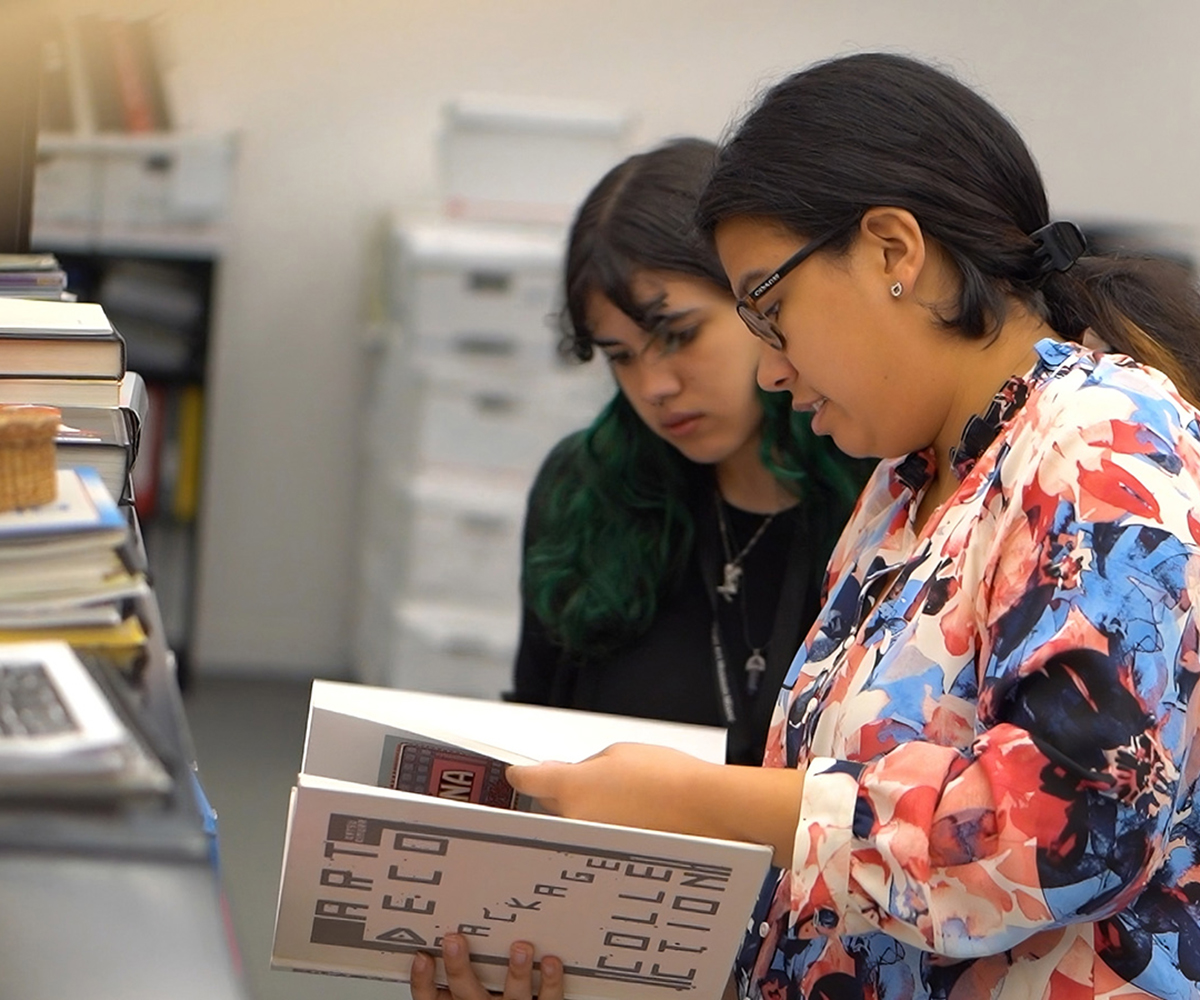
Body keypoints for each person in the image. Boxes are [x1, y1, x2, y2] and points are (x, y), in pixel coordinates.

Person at [410, 53, 1200, 1000]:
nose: (772, 369)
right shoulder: (908, 489)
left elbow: (1079, 827)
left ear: (893, 253)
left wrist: (705, 803)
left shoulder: (1100, 438)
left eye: (772, 311)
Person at [508, 137, 874, 766]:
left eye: (678, 335)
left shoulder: (884, 483)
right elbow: (532, 731)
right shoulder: (586, 488)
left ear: (760, 302)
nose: (654, 387)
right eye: (620, 356)